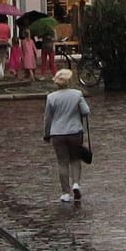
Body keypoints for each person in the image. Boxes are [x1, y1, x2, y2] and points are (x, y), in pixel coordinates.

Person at [41, 67, 92, 204]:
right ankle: (76, 183)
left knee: (62, 162)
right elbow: (86, 111)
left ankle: (65, 193)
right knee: (75, 159)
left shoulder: (51, 97)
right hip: (75, 132)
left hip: (57, 134)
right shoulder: (77, 94)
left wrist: (46, 134)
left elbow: (47, 118)